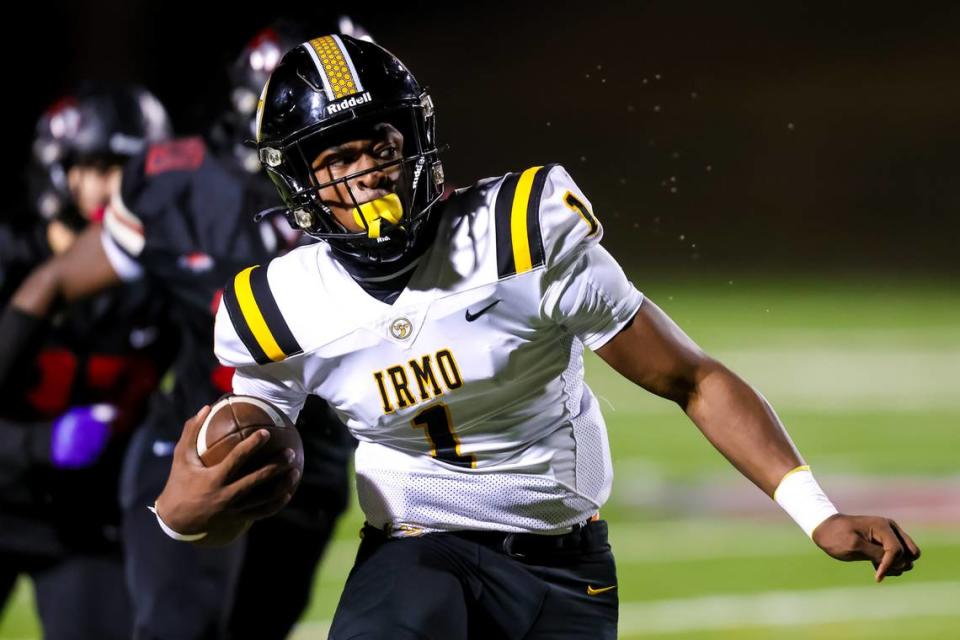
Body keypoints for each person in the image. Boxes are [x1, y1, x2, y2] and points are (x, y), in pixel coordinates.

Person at [31, 35, 927, 638]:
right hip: (419, 550)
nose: (364, 175)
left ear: (415, 139)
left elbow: (690, 380)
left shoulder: (521, 237)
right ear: (300, 187)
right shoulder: (281, 302)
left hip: (565, 561)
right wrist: (186, 514)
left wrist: (815, 511)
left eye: (375, 145)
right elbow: (248, 438)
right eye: (333, 163)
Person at [0, 25, 359, 640]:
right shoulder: (184, 195)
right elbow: (52, 283)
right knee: (177, 627)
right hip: (193, 440)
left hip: (307, 454)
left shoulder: (386, 205)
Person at [0, 85, 175, 639]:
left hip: (84, 518)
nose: (112, 188)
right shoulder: (10, 262)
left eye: (129, 168)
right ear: (60, 170)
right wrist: (38, 443)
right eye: (97, 166)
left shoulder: (168, 277)